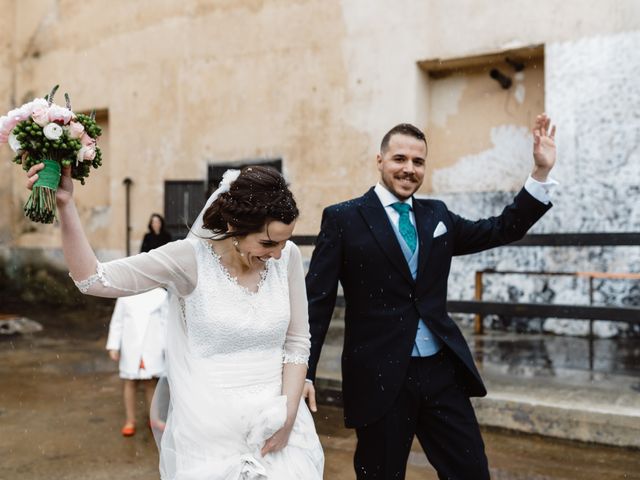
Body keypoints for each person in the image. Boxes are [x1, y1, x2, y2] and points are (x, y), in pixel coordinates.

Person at [26, 164, 324, 479]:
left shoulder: (287, 257)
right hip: (210, 433)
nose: (278, 254)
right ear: (234, 225)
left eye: (283, 242)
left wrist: (288, 416)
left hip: (279, 422)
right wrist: (66, 206)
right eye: (267, 244)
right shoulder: (188, 260)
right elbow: (93, 280)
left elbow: (296, 342)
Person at [303, 114, 557, 479]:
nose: (409, 169)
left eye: (418, 161)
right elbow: (318, 301)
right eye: (400, 159)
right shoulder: (344, 219)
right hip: (379, 375)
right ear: (380, 161)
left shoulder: (436, 214)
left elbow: (502, 228)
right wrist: (304, 372)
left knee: (470, 471)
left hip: (442, 371)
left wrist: (540, 172)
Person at [107, 213, 173, 437]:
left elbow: (166, 323)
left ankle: (155, 419)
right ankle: (130, 420)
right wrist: (113, 346)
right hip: (132, 344)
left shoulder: (160, 295)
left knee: (151, 384)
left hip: (153, 345)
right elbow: (117, 322)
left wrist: (167, 346)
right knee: (130, 383)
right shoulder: (125, 296)